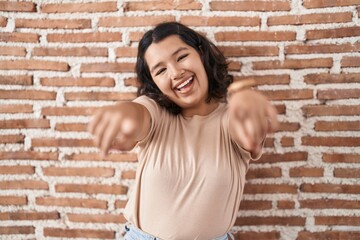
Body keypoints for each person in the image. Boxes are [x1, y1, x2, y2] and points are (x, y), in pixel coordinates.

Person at [88, 22, 278, 240]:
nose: (176, 73)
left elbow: (246, 126)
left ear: (201, 54)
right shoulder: (156, 114)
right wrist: (123, 111)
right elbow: (137, 113)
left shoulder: (230, 120)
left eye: (181, 57)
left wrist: (244, 99)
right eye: (161, 70)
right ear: (154, 83)